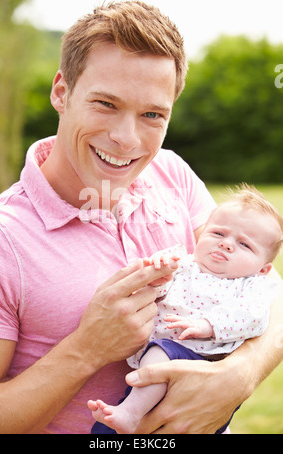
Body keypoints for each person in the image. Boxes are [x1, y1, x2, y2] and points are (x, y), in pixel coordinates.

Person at [0, 1, 282, 434]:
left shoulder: (171, 173)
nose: (126, 139)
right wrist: (85, 350)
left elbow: (266, 289)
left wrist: (242, 373)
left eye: (152, 115)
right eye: (105, 104)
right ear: (61, 92)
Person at [88, 185, 283, 434]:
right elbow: (153, 292)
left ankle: (130, 413)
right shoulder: (183, 265)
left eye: (244, 244)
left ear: (263, 268)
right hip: (161, 360)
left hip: (204, 362)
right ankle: (124, 417)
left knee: (163, 366)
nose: (227, 245)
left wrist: (208, 325)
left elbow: (252, 316)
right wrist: (155, 277)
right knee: (108, 430)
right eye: (218, 233)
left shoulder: (252, 285)